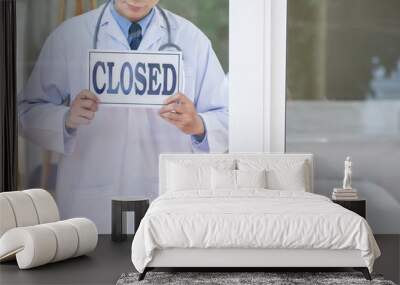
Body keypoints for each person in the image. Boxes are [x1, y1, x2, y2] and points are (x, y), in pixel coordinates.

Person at [18, 0, 228, 233]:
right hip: (92, 202)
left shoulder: (192, 40)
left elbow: (227, 117)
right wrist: (66, 119)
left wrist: (198, 125)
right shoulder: (71, 36)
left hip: (165, 199)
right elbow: (25, 112)